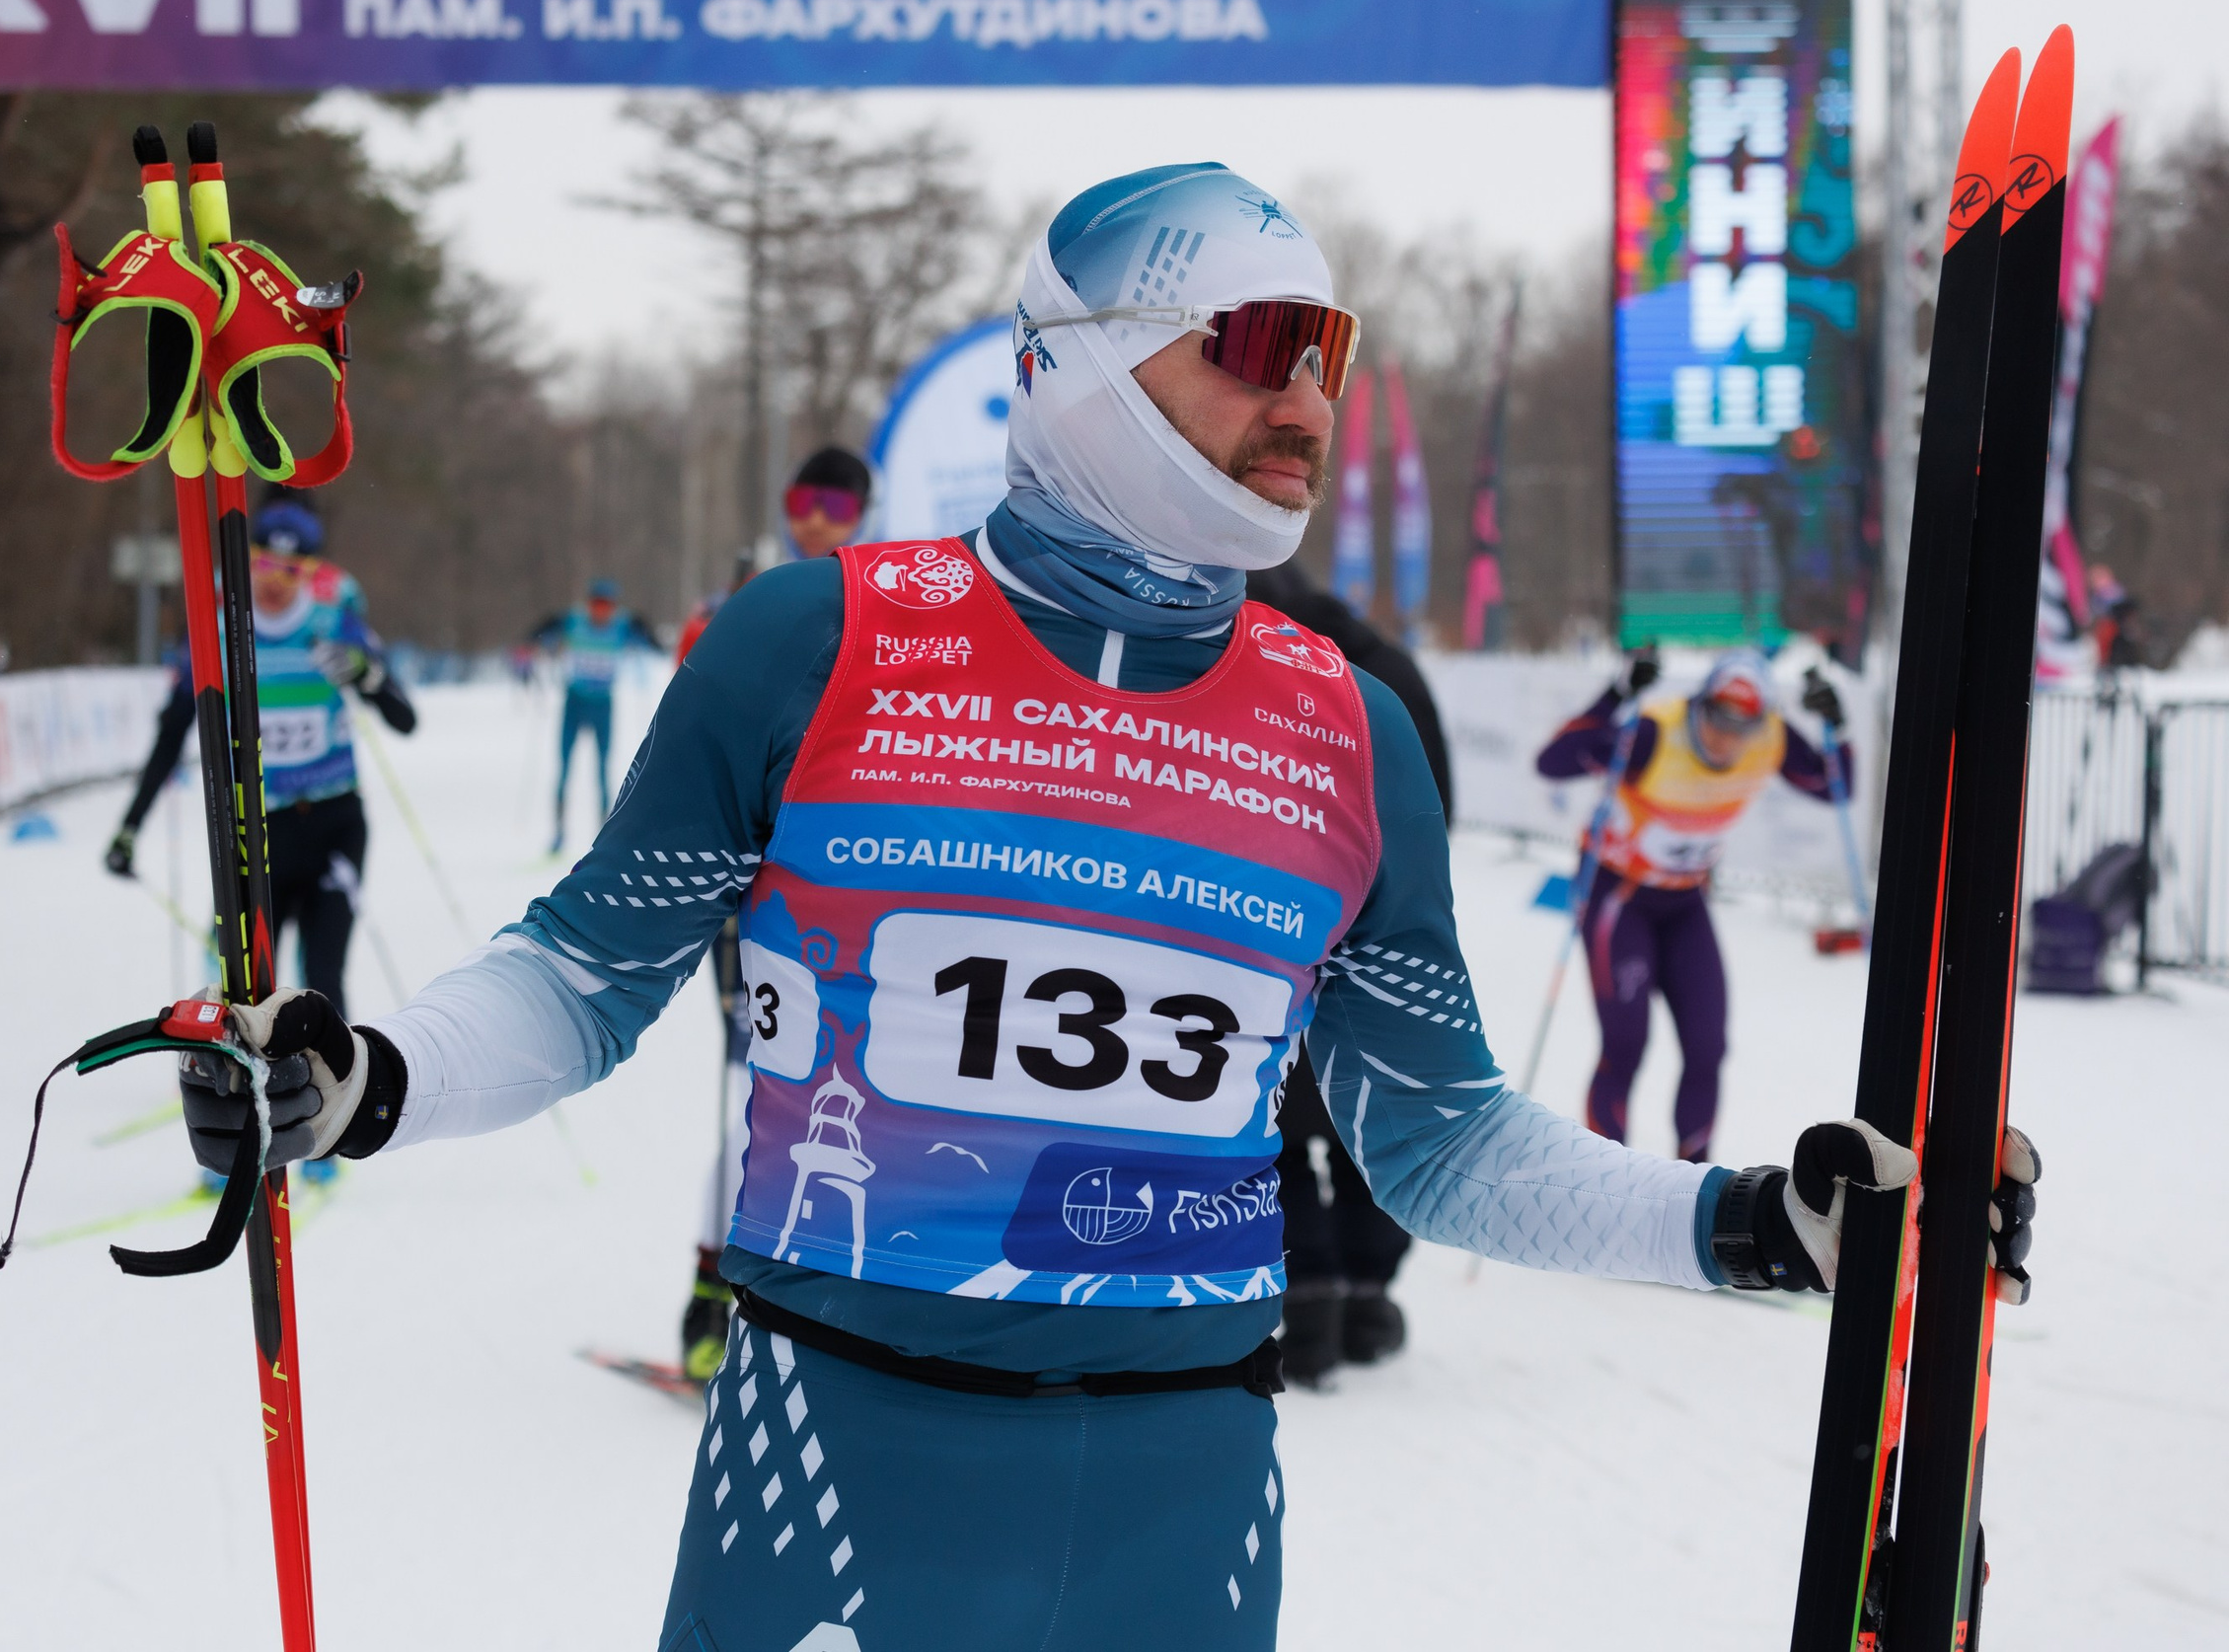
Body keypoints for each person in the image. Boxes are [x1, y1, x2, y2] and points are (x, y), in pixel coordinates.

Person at [163, 166, 2037, 1651]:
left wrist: (1752, 1226)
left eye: (1331, 349)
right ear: (1076, 355)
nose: (1306, 391)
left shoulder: (1346, 727)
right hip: (840, 1448)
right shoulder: (815, 639)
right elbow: (582, 977)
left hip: (1184, 1491)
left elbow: (1443, 1141)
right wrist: (366, 1072)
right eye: (1256, 337)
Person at [677, 454, 876, 1382]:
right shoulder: (751, 609)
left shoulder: (887, 616)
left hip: (846, 893)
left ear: (863, 514)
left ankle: (804, 1293)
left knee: (838, 1090)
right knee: (760, 1079)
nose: (817, 521)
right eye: (803, 504)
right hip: (751, 883)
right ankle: (713, 1289)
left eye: (836, 508)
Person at [1243, 557, 1450, 1384]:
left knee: (1272, 1119)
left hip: (1268, 921)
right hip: (1383, 918)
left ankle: (1312, 1296)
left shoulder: (1241, 655)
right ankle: (1365, 1293)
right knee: (1372, 1113)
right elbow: (1439, 807)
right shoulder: (1388, 667)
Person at [105, 490, 415, 1034]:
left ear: (311, 569)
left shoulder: (335, 608)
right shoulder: (218, 615)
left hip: (333, 823)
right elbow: (173, 728)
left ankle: (335, 1094)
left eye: (293, 569)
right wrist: (130, 826)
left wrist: (367, 674)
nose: (276, 581)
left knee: (323, 979)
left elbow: (403, 717)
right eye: (266, 563)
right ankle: (236, 1082)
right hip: (257, 832)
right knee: (244, 987)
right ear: (247, 556)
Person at [1534, 649, 1850, 1162]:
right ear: (1698, 705)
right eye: (1716, 717)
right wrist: (1616, 694)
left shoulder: (1770, 739)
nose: (1725, 737)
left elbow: (1836, 787)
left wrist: (1837, 726)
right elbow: (1550, 761)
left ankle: (1693, 1184)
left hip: (1684, 903)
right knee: (1626, 1045)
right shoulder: (1655, 735)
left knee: (1707, 1050)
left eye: (1741, 726)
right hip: (1620, 898)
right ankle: (1602, 1178)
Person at [532, 577, 661, 855]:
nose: (602, 611)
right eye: (597, 604)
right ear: (590, 604)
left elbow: (651, 640)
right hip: (575, 702)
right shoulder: (575, 621)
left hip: (603, 704)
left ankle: (604, 834)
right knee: (565, 766)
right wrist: (537, 638)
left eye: (607, 605)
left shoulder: (622, 625)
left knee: (602, 768)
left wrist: (648, 633)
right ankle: (558, 832)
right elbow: (547, 628)